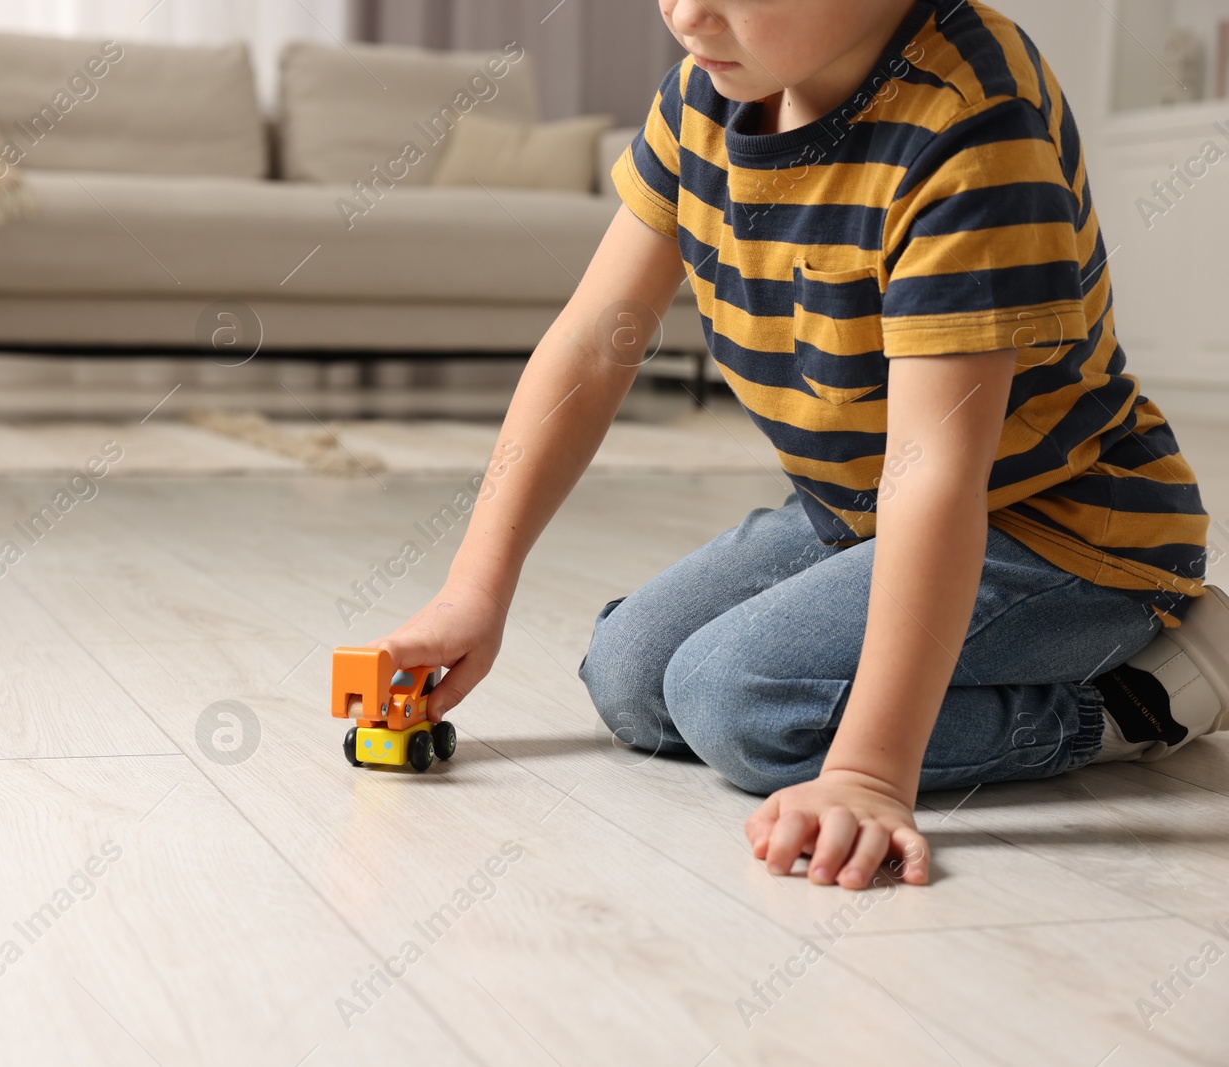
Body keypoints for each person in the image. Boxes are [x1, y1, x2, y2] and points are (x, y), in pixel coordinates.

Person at [371, 0, 1228, 889]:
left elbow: (934, 471)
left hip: (1061, 533)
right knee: (628, 674)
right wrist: (475, 589)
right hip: (859, 514)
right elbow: (593, 344)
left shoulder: (971, 126)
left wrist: (868, 772)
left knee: (737, 702)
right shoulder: (702, 101)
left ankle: (1140, 698)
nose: (685, 14)